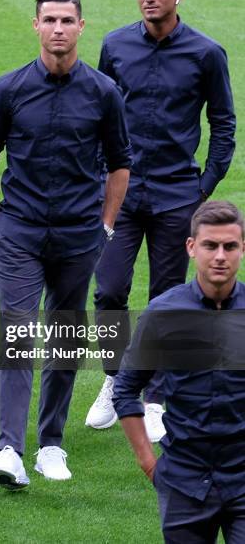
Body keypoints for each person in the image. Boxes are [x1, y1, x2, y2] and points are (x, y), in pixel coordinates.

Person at [0, 0, 131, 489]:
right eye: (50, 20)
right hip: (18, 232)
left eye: (67, 20)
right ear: (36, 26)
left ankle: (51, 445)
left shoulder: (104, 92)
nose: (58, 28)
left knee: (65, 336)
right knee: (17, 335)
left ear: (81, 27)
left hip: (79, 235)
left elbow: (121, 164)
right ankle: (8, 451)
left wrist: (105, 225)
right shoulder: (9, 88)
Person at [85, 0, 236, 441]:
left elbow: (224, 123)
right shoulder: (115, 45)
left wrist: (203, 186)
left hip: (177, 197)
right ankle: (114, 378)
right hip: (122, 195)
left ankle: (152, 396)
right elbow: (100, 114)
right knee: (108, 289)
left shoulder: (207, 54)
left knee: (164, 300)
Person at [113, 200, 245, 543]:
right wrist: (148, 462)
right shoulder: (163, 313)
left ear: (242, 248)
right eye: (210, 245)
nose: (220, 256)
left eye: (230, 246)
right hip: (183, 483)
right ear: (191, 247)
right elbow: (126, 389)